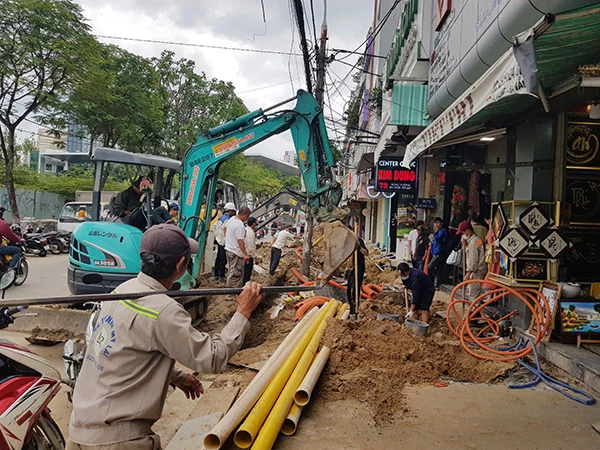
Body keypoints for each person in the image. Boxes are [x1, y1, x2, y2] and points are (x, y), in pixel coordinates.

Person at [66, 224, 263, 450]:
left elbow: (124, 353)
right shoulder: (164, 311)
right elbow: (213, 358)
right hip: (118, 441)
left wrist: (176, 376)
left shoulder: (121, 291)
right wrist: (243, 312)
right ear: (181, 265)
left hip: (81, 429)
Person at [456, 220, 488, 302]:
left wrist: (468, 273)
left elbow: (473, 260)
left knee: (473, 294)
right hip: (479, 270)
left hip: (476, 271)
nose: (462, 235)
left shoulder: (473, 242)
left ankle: (474, 312)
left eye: (463, 233)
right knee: (474, 292)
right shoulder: (475, 240)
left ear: (467, 231)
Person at [225, 206, 252, 288]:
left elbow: (224, 228)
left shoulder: (232, 219)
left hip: (229, 250)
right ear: (245, 215)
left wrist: (228, 239)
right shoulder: (239, 225)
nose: (247, 219)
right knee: (236, 274)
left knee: (231, 271)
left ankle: (231, 292)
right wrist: (245, 254)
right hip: (236, 253)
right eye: (247, 216)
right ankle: (231, 294)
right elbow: (240, 241)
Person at [346, 233, 369, 316]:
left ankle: (355, 309)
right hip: (351, 269)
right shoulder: (347, 242)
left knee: (355, 289)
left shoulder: (358, 241)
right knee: (348, 290)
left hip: (359, 268)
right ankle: (351, 307)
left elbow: (366, 253)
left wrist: (359, 247)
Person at [213, 203, 236, 282]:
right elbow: (226, 230)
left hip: (220, 241)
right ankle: (221, 275)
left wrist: (217, 237)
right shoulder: (227, 220)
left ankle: (216, 274)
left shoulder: (221, 218)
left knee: (219, 258)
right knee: (223, 259)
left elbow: (214, 227)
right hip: (224, 242)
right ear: (230, 211)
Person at [427, 217, 449, 290]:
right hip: (434, 251)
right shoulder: (436, 232)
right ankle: (436, 285)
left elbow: (439, 239)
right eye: (436, 223)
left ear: (441, 223)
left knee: (429, 267)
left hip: (439, 252)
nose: (437, 224)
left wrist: (436, 232)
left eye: (439, 223)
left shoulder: (443, 231)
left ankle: (436, 281)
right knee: (438, 269)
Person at [0, 207, 24, 272]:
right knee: (17, 250)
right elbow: (10, 236)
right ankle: (10, 270)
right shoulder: (2, 223)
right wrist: (19, 240)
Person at [243, 216, 260, 285]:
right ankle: (244, 287)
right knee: (247, 272)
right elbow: (251, 247)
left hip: (243, 254)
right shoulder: (250, 232)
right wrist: (255, 258)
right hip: (248, 256)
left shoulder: (245, 229)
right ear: (253, 224)